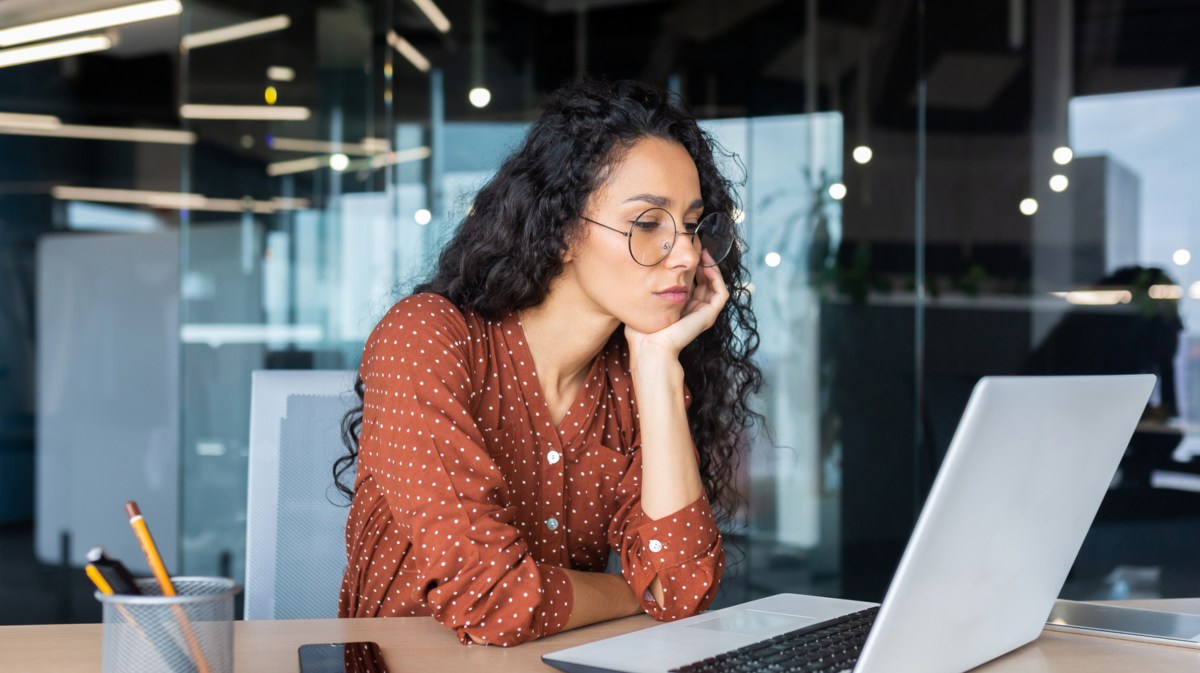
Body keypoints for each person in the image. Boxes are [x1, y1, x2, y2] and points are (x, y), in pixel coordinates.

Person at [334, 79, 763, 647]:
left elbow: (682, 588)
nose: (685, 253)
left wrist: (658, 364)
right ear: (561, 230)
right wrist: (636, 593)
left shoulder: (632, 377)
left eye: (691, 224)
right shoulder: (427, 338)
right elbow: (495, 601)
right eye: (648, 224)